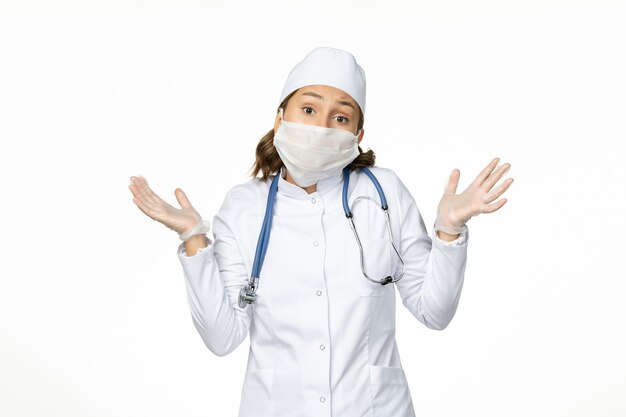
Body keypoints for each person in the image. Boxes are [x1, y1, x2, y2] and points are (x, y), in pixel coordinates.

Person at [128, 46, 513, 417]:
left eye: (340, 118)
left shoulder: (383, 192)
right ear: (280, 118)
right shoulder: (245, 207)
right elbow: (222, 337)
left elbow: (435, 311)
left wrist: (448, 229)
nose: (322, 126)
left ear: (357, 135)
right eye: (308, 109)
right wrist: (193, 237)